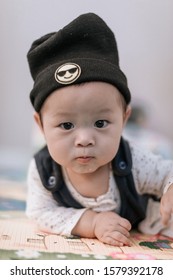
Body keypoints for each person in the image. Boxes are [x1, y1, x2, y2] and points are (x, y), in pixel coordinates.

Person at [26, 13, 173, 246]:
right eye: (66, 125)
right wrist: (92, 222)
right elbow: (40, 212)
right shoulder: (43, 170)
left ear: (124, 119)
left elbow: (167, 172)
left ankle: (141, 125)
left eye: (100, 123)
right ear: (41, 125)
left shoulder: (134, 161)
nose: (84, 139)